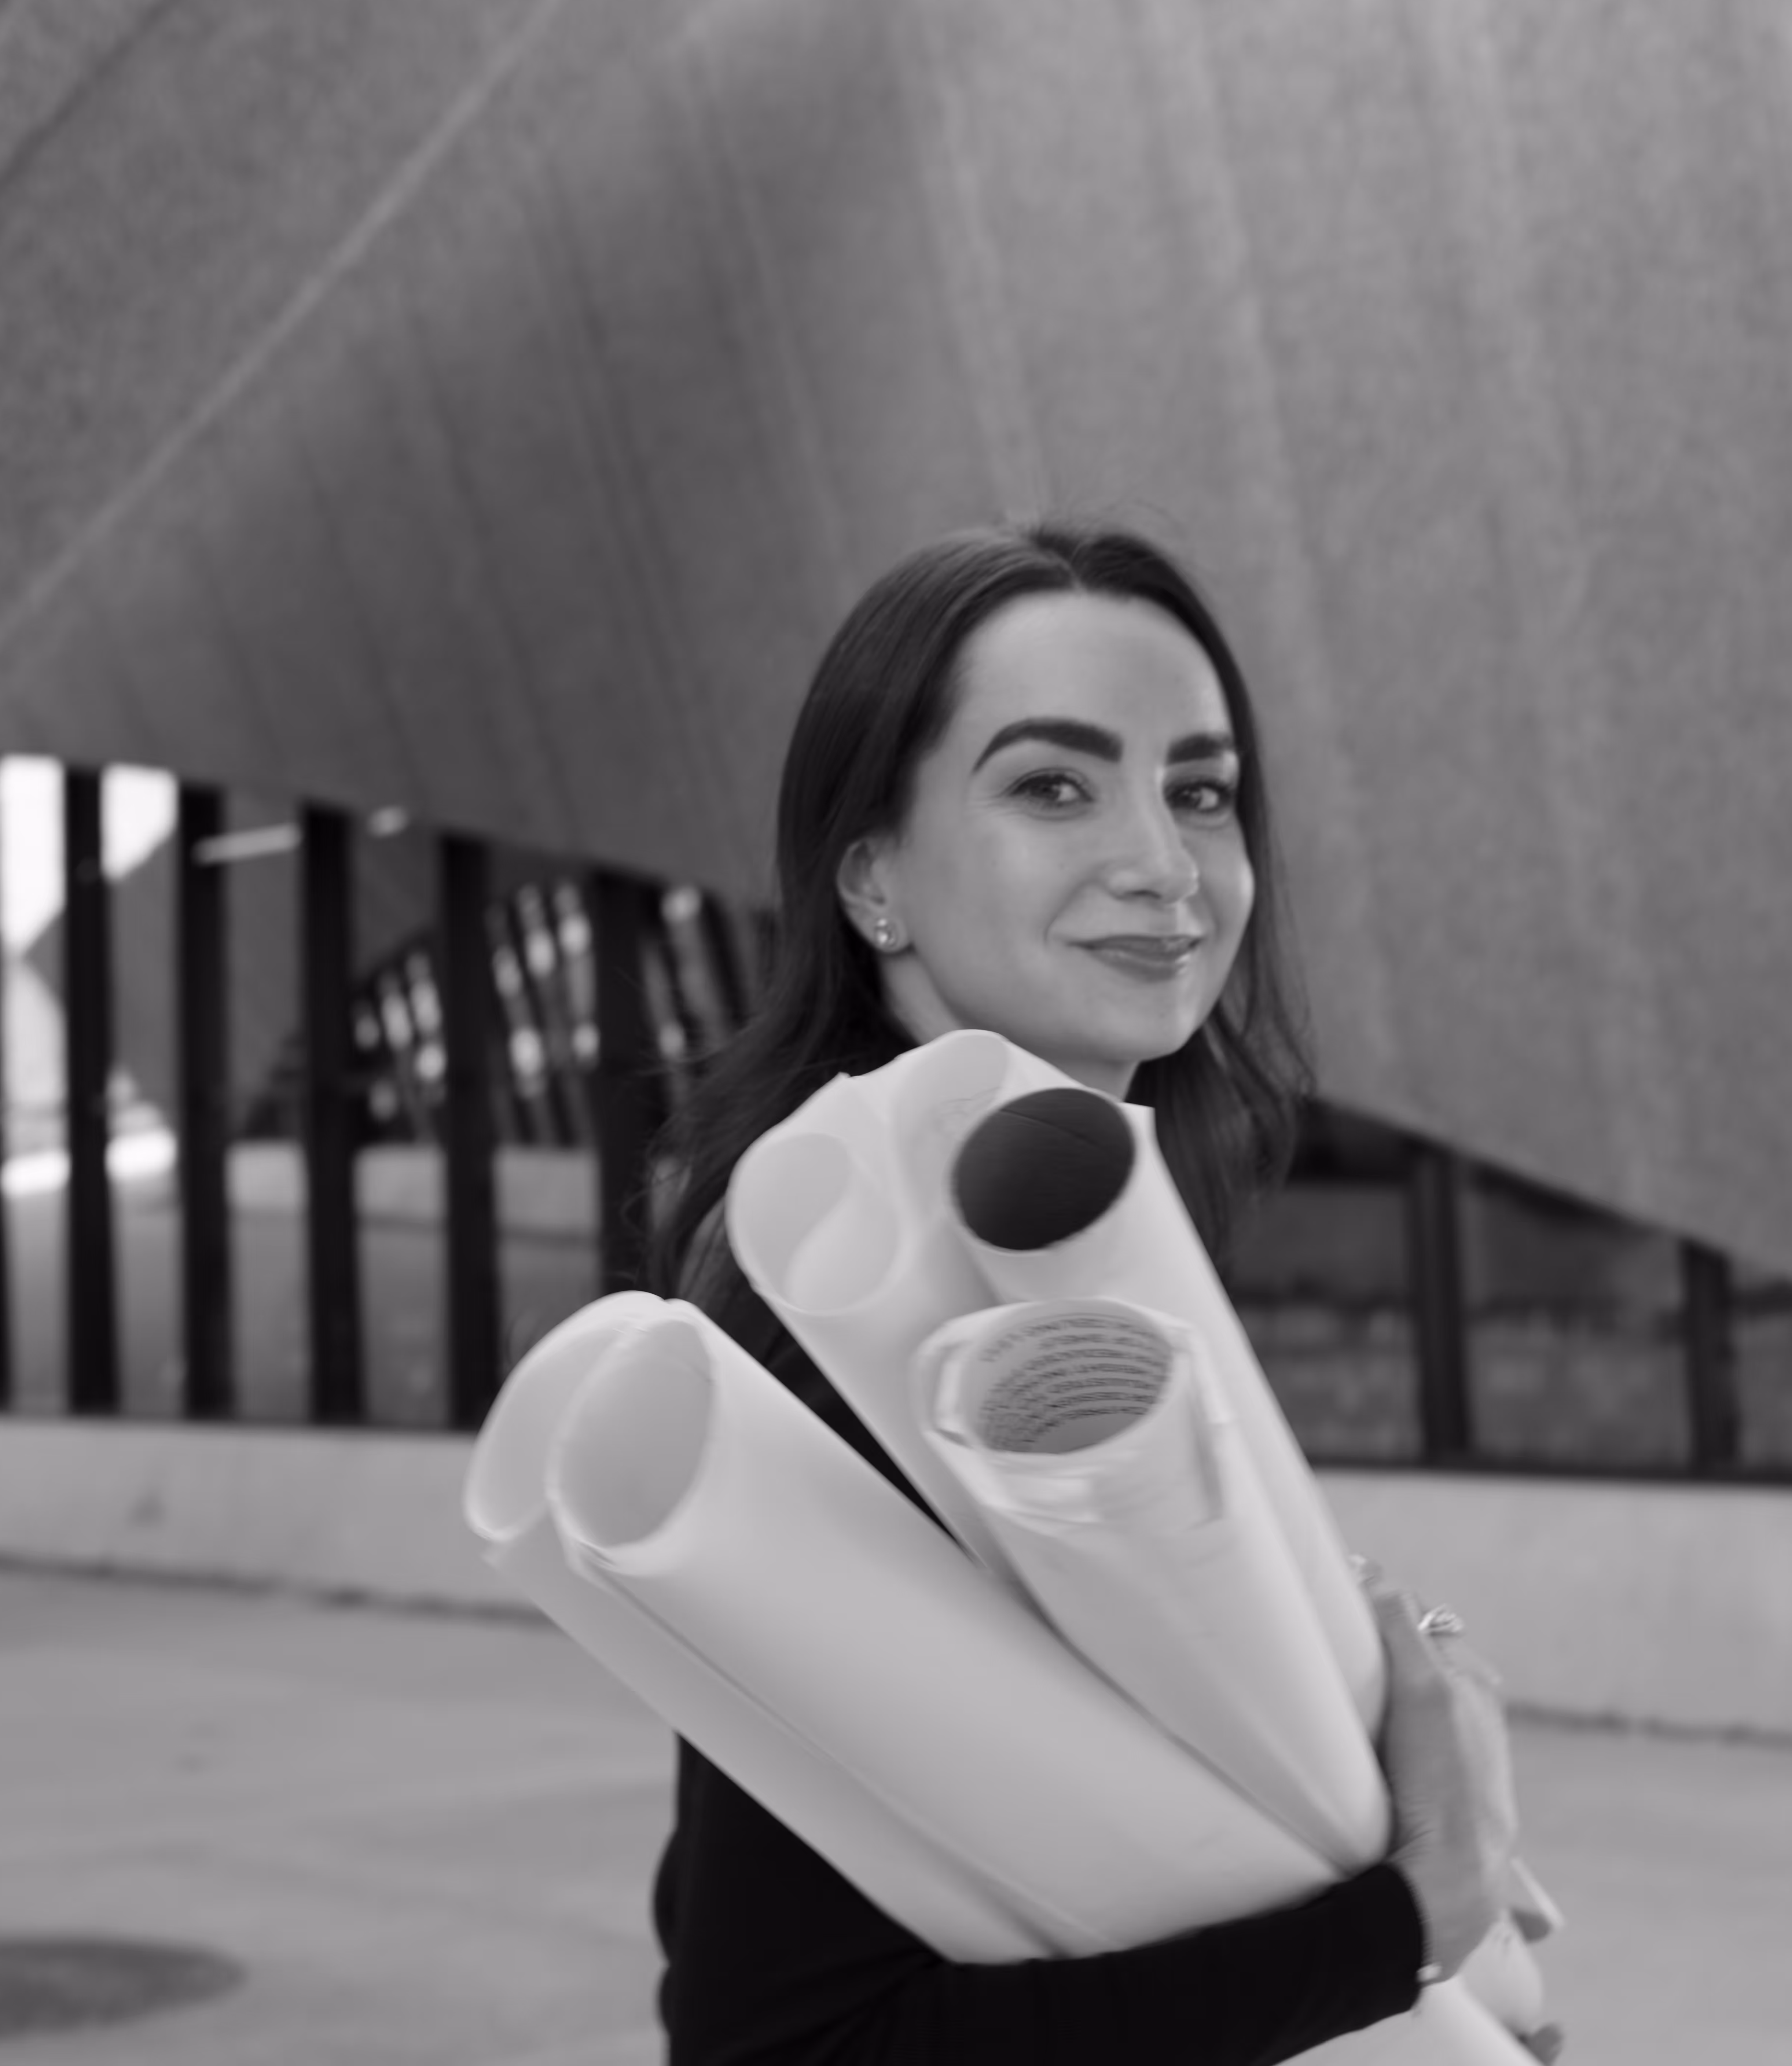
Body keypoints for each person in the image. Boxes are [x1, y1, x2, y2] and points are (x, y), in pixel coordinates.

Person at [641, 521, 1554, 2065]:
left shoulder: (1064, 1243)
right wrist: (1411, 1920)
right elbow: (781, 2044)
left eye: (1200, 789)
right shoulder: (858, 1306)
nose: (1165, 862)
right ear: (874, 879)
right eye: (1054, 785)